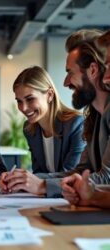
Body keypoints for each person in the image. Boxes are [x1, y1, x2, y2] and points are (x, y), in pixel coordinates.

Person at [0, 66, 85, 195]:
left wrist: (29, 179)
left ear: (49, 95)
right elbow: (39, 173)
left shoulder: (76, 124)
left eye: (30, 99)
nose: (24, 108)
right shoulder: (30, 130)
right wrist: (17, 180)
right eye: (19, 101)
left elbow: (72, 176)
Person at [61, 29, 110, 208]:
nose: (65, 83)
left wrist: (42, 186)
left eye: (70, 72)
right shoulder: (94, 116)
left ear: (93, 70)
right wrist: (33, 181)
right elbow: (84, 172)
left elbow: (107, 177)